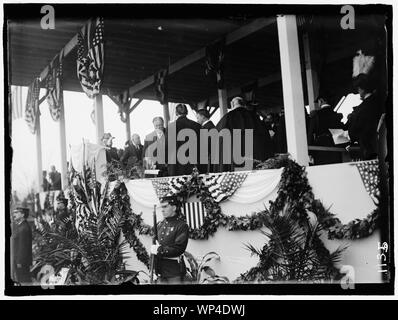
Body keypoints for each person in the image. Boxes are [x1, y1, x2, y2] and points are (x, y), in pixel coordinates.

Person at [216, 97, 273, 172]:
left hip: (234, 159)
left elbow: (217, 137)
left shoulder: (227, 117)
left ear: (232, 104)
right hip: (255, 158)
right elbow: (265, 137)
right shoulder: (255, 117)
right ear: (243, 104)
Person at [150, 196, 189, 284]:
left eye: (165, 206)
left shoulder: (181, 226)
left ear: (174, 208)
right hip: (160, 271)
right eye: (162, 207)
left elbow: (179, 249)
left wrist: (159, 250)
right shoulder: (160, 225)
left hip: (174, 272)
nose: (162, 210)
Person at [346, 73, 384, 160]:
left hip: (368, 148)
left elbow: (357, 129)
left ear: (362, 89)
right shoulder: (378, 102)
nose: (358, 91)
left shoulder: (363, 108)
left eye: (358, 88)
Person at [307, 95, 345, 164]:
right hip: (336, 148)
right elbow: (342, 133)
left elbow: (310, 134)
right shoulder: (336, 115)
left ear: (321, 101)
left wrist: (309, 152)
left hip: (320, 148)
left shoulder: (316, 115)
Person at [166, 104, 202, 176]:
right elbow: (200, 146)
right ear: (187, 112)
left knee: (177, 185)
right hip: (192, 163)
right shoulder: (197, 126)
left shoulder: (171, 127)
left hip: (176, 165)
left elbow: (168, 146)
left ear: (176, 113)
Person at [11, 207, 32, 284]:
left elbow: (23, 247)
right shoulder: (21, 226)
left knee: (24, 282)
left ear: (22, 214)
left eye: (16, 212)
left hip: (21, 262)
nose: (14, 215)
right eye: (14, 213)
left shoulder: (24, 228)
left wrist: (20, 262)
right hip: (19, 261)